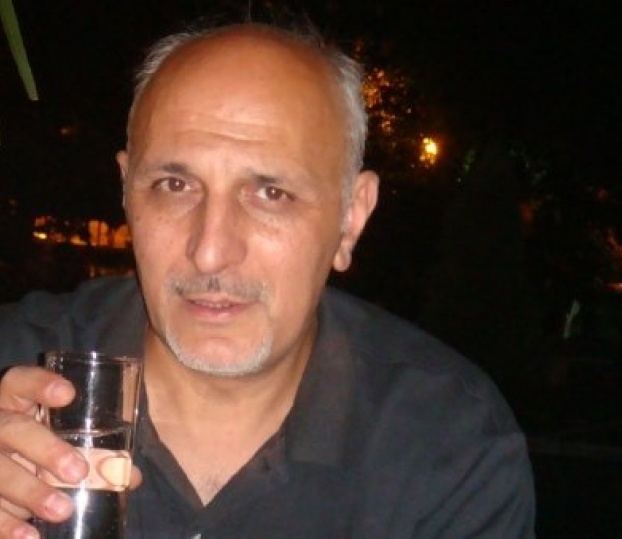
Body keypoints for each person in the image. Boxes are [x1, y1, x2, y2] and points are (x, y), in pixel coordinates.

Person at [0, 19, 535, 538]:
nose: (210, 252)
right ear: (126, 190)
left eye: (271, 194)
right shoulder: (13, 365)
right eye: (174, 185)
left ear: (351, 218)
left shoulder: (446, 443)